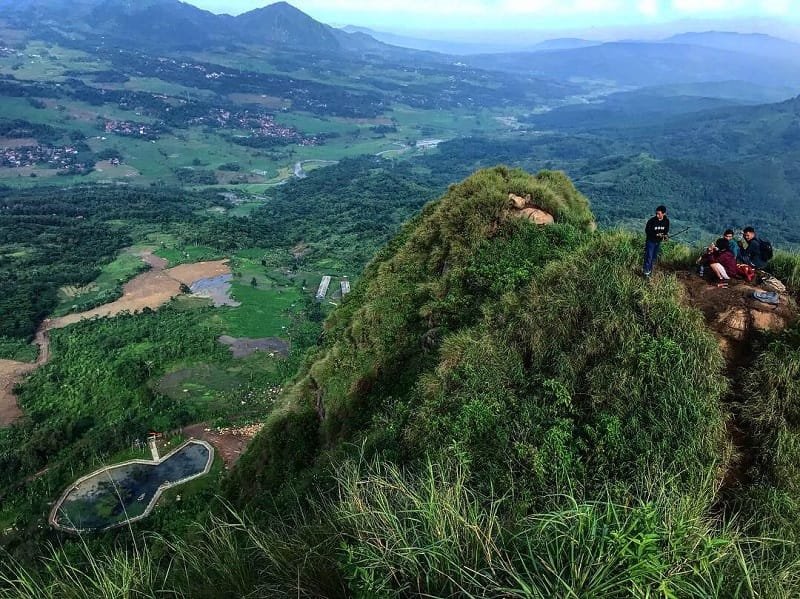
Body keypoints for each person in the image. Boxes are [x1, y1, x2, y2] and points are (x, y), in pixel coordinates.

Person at [643, 205, 670, 277]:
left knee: (653, 258)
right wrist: (657, 235)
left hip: (658, 242)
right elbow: (647, 231)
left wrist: (665, 236)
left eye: (659, 214)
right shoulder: (651, 221)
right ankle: (646, 273)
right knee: (649, 257)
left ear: (664, 214)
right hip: (650, 241)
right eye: (656, 213)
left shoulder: (666, 221)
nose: (657, 215)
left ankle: (650, 272)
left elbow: (666, 231)